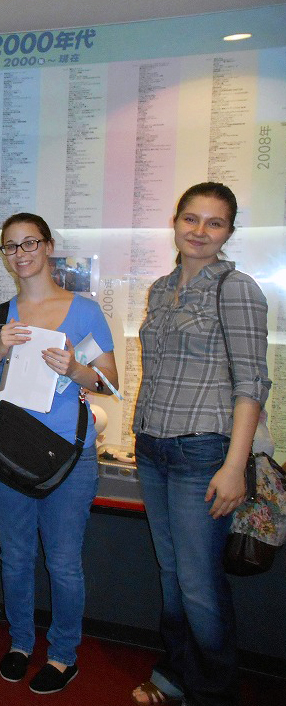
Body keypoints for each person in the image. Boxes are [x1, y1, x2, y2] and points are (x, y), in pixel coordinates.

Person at [131, 183, 270, 706]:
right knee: (172, 575)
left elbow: (251, 383)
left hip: (203, 453)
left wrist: (234, 466)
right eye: (191, 218)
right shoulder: (161, 288)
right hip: (153, 447)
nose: (200, 231)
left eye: (214, 223)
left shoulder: (236, 288)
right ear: (175, 221)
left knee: (198, 583)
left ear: (229, 232)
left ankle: (214, 690)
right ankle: (176, 672)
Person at [0, 212, 118, 695]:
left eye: (30, 243)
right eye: (11, 246)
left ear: (49, 246)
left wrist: (74, 368)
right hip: (8, 452)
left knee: (63, 562)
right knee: (15, 557)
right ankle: (19, 643)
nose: (21, 254)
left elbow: (109, 383)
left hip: (68, 456)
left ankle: (62, 654)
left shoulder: (84, 312)